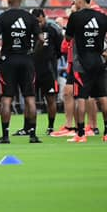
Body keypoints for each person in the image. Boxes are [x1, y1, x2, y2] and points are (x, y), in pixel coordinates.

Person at [63, 0, 107, 143]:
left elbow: (68, 39)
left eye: (75, 0)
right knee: (102, 98)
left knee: (81, 98)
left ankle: (81, 134)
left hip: (82, 63)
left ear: (80, 0)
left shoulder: (75, 17)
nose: (74, 3)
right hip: (99, 60)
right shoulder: (101, 17)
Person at [0, 0, 42, 144]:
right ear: (21, 0)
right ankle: (32, 135)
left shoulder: (2, 18)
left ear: (9, 0)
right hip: (26, 60)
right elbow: (41, 39)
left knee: (6, 98)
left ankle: (5, 136)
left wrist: (1, 57)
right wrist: (32, 53)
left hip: (9, 60)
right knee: (30, 98)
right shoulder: (30, 18)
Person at [30, 8, 63, 136]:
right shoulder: (30, 30)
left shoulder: (52, 30)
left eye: (39, 20)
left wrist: (51, 59)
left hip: (49, 71)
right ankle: (29, 127)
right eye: (35, 22)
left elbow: (60, 49)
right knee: (30, 99)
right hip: (32, 70)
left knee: (50, 99)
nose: (38, 24)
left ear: (44, 17)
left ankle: (50, 127)